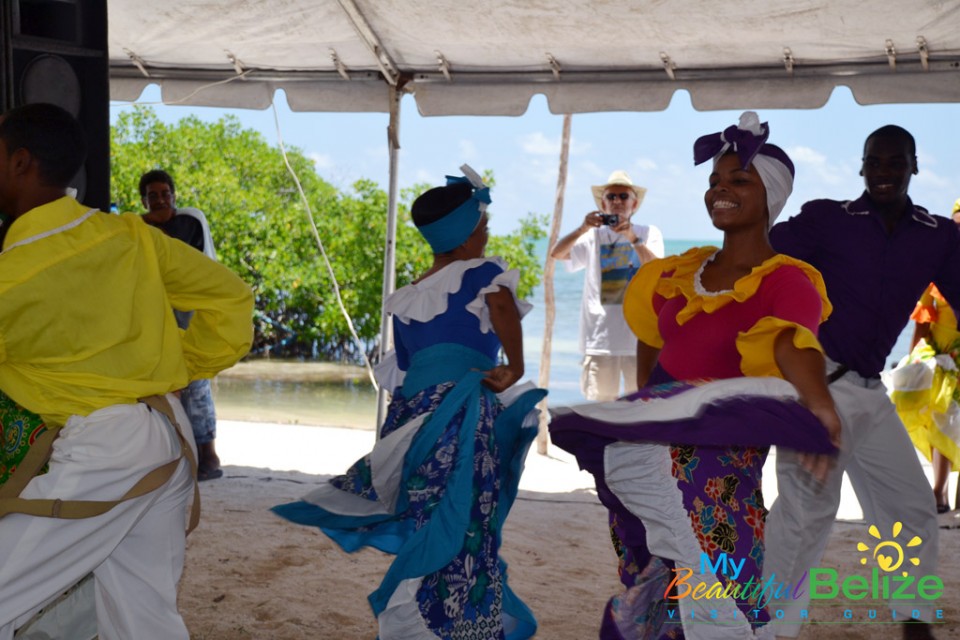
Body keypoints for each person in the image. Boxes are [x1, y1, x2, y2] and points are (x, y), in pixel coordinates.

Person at [550, 112, 840, 639]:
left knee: (721, 585)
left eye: (738, 180)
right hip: (652, 449)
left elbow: (791, 342)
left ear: (771, 197)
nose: (719, 190)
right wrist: (642, 406)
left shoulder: (787, 280)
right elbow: (649, 334)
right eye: (714, 181)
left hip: (720, 463)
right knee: (661, 576)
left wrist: (818, 402)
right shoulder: (675, 272)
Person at [0, 103, 253, 639]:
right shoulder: (129, 236)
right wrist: (177, 366)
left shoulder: (12, 276)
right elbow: (232, 300)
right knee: (143, 618)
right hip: (168, 433)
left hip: (105, 450)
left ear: (21, 163)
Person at [272, 167, 546, 639]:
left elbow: (403, 376)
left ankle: (418, 615)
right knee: (465, 516)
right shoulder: (482, 273)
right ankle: (434, 620)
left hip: (416, 420)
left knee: (431, 511)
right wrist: (515, 365)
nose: (486, 236)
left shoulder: (410, 297)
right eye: (482, 228)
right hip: (461, 415)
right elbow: (501, 308)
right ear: (462, 237)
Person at [766, 125, 960, 640]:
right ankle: (771, 630)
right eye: (875, 161)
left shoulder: (938, 235)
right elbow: (758, 257)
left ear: (914, 166)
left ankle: (914, 620)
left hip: (873, 392)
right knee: (805, 516)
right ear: (862, 166)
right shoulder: (827, 219)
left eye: (896, 162)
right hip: (817, 387)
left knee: (912, 509)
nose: (885, 172)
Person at [550, 170, 665, 401]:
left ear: (634, 204)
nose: (617, 202)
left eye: (624, 197)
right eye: (611, 197)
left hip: (639, 339)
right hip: (599, 339)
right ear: (603, 204)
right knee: (600, 412)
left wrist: (632, 238)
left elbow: (657, 269)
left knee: (643, 408)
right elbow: (557, 253)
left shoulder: (648, 233)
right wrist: (583, 228)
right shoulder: (593, 237)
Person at [139, 169, 223, 480]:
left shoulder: (191, 220)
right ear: (144, 200)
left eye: (165, 194)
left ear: (174, 196)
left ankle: (207, 456)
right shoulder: (136, 227)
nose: (160, 200)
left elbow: (203, 266)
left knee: (196, 385)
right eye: (153, 196)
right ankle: (168, 458)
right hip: (152, 317)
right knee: (156, 387)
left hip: (188, 317)